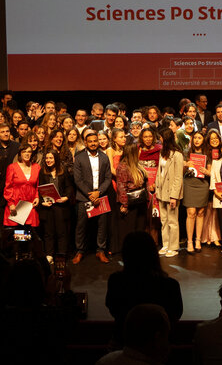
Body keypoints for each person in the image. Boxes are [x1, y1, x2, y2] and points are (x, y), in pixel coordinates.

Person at [105, 233, 182, 348]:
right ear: (153, 254)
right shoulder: (170, 285)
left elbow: (113, 308)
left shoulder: (116, 282)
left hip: (124, 342)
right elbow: (175, 314)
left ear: (125, 255)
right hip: (158, 345)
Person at [72, 129, 113, 264]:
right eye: (90, 141)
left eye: (95, 141)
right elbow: (78, 180)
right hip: (84, 197)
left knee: (102, 225)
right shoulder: (79, 158)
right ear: (85, 143)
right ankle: (80, 251)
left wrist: (98, 192)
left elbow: (108, 178)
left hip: (101, 196)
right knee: (81, 226)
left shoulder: (104, 157)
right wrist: (90, 195)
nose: (93, 143)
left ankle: (101, 250)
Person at [154, 130, 185, 258]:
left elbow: (178, 177)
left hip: (171, 192)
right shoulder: (162, 152)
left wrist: (174, 196)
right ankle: (166, 244)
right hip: (161, 191)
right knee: (164, 220)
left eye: (161, 137)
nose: (159, 139)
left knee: (172, 221)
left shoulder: (177, 155)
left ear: (165, 138)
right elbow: (159, 172)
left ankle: (173, 247)